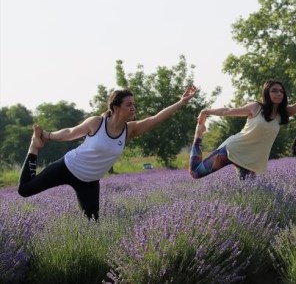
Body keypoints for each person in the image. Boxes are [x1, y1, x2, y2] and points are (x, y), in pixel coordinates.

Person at [18, 86, 198, 220]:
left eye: (133, 104)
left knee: (92, 223)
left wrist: (182, 102)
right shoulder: (97, 122)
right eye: (129, 104)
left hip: (89, 182)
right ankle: (33, 148)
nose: (133, 108)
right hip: (68, 167)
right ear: (116, 107)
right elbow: (70, 133)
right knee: (25, 190)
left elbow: (156, 118)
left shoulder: (130, 130)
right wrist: (46, 136)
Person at [189, 62, 296, 180]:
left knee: (250, 196)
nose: (279, 93)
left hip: (250, 162)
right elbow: (228, 111)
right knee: (196, 173)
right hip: (232, 150)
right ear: (267, 93)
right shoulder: (256, 108)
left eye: (281, 91)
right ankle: (198, 135)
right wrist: (206, 111)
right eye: (274, 90)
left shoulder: (283, 114)